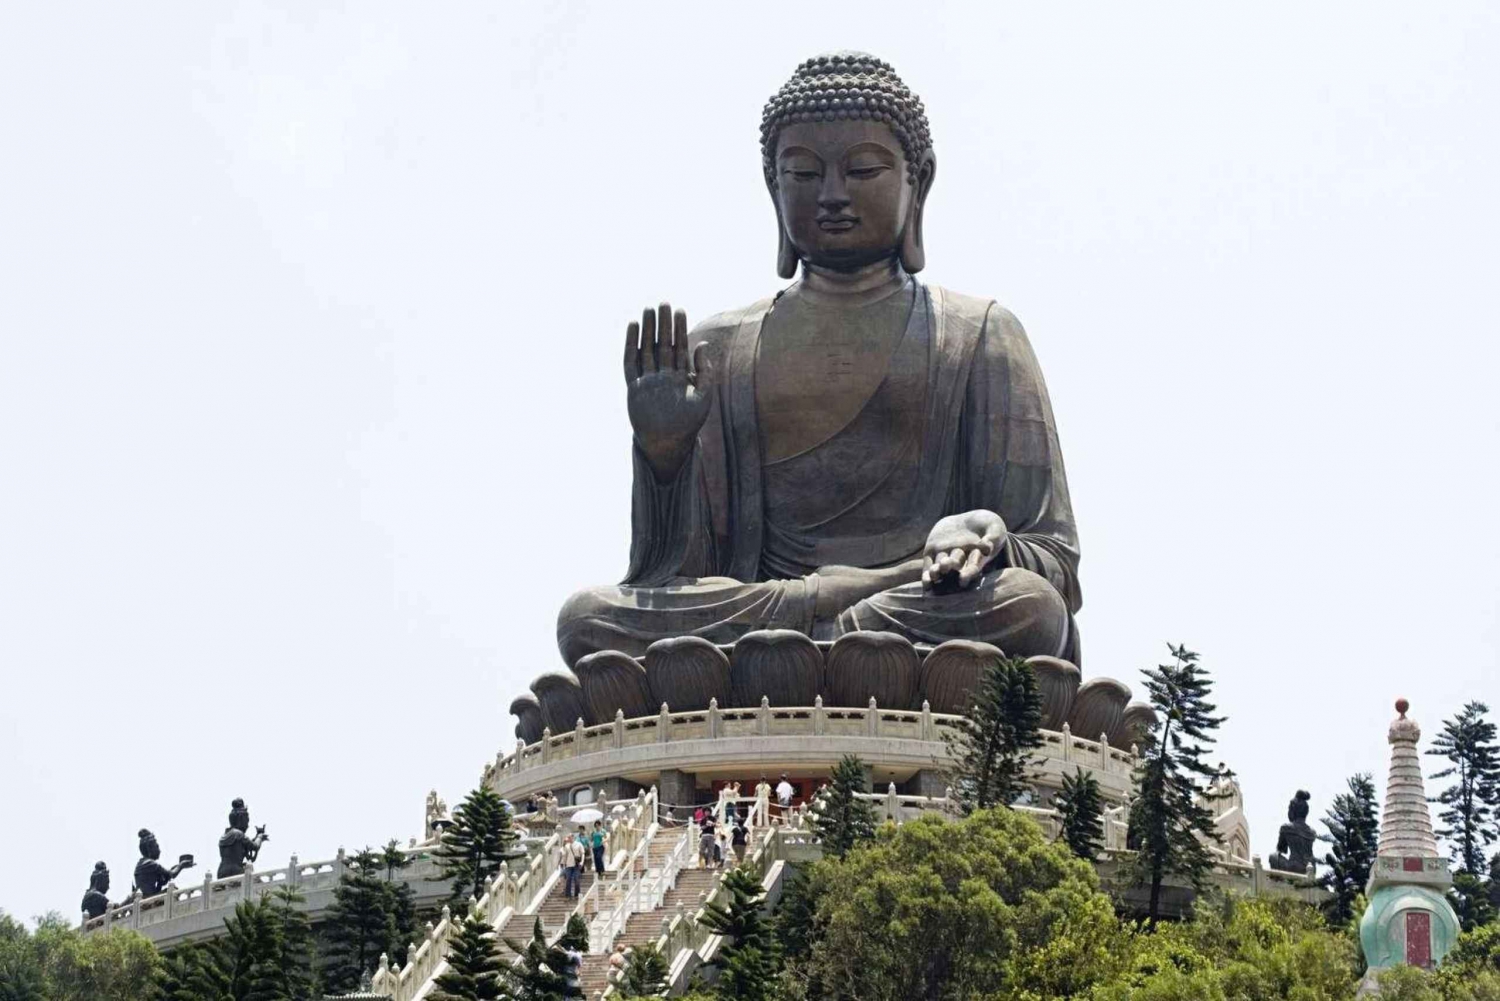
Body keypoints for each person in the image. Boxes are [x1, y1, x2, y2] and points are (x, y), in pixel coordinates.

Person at [561, 833, 584, 898]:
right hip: (568, 865)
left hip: (576, 865)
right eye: (568, 837)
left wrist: (582, 862)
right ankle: (568, 894)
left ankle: (577, 894)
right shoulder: (566, 846)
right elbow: (565, 856)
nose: (568, 838)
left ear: (573, 837)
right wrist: (564, 864)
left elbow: (582, 854)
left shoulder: (579, 844)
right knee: (568, 879)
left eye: (569, 837)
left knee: (576, 879)